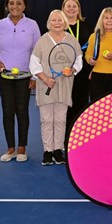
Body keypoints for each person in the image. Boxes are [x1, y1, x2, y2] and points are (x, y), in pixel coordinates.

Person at [0, 0, 41, 163]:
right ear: (7, 6)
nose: (15, 6)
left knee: (22, 111)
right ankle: (10, 147)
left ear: (24, 6)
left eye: (19, 3)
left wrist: (34, 76)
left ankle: (22, 147)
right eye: (11, 3)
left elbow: (37, 51)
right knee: (7, 111)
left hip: (25, 76)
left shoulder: (32, 25)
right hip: (5, 76)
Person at [30, 10, 83, 165]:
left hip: (65, 86)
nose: (57, 23)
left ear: (64, 22)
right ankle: (48, 151)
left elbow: (78, 60)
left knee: (60, 119)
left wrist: (73, 70)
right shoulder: (42, 41)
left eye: (60, 20)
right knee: (46, 119)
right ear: (49, 22)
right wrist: (45, 79)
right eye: (53, 20)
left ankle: (58, 150)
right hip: (46, 85)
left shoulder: (72, 40)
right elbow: (34, 64)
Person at [62, 0, 93, 139]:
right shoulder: (58, 26)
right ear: (63, 8)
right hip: (64, 73)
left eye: (74, 6)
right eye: (68, 6)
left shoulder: (86, 26)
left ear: (79, 9)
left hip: (83, 72)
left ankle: (78, 136)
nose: (71, 9)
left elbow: (93, 49)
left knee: (81, 104)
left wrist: (91, 68)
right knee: (65, 105)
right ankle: (65, 137)